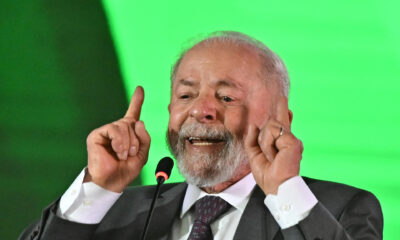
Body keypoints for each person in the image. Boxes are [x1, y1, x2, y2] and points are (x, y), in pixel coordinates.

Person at [19, 31, 383, 240]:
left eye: (226, 97)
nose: (201, 110)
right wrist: (98, 188)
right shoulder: (115, 213)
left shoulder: (341, 210)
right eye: (185, 95)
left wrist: (285, 190)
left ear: (281, 120)